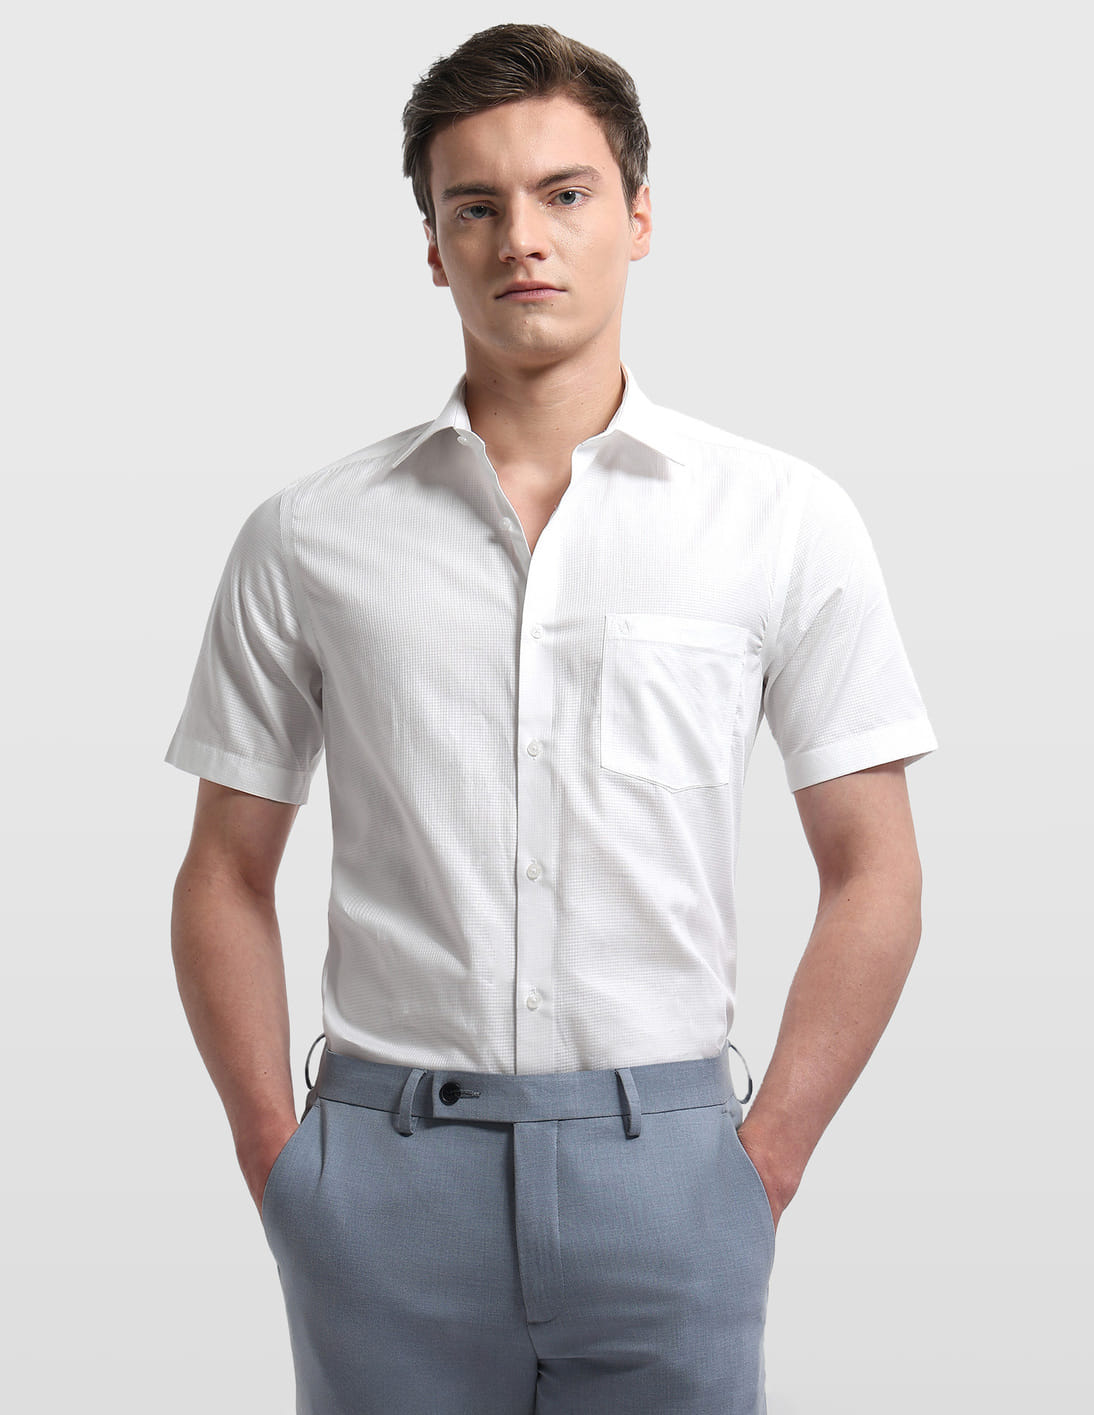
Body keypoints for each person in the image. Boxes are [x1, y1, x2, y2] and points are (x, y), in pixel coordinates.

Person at [165, 22, 937, 1415]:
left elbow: (873, 867)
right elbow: (225, 868)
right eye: (475, 204)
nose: (521, 237)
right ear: (432, 244)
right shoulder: (309, 534)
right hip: (382, 1176)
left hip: (673, 1175)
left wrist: (761, 1160)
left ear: (637, 216)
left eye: (564, 193)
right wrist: (277, 1155)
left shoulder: (780, 520)